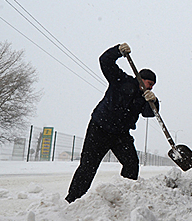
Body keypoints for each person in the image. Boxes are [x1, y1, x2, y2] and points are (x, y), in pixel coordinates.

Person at [65, 43, 159, 203]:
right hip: (99, 128)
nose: (150, 87)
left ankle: (123, 198)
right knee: (88, 166)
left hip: (120, 135)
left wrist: (154, 102)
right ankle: (72, 200)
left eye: (153, 86)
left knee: (132, 164)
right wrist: (117, 51)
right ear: (141, 79)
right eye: (149, 83)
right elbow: (105, 61)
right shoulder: (121, 80)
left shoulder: (144, 97)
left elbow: (149, 113)